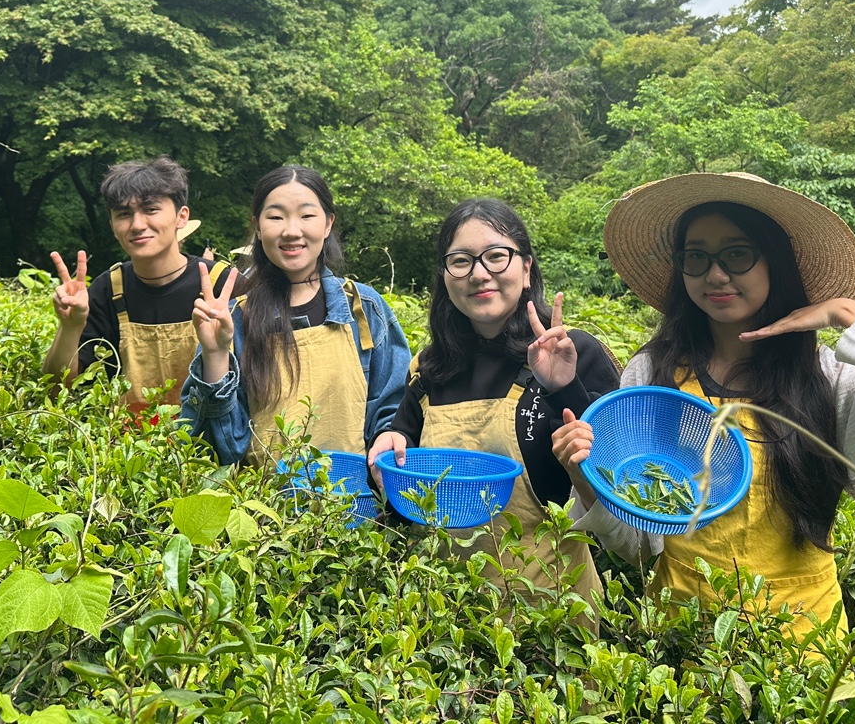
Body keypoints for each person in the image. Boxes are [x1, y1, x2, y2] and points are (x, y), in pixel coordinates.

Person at [551, 172, 855, 634]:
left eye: (737, 254)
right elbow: (636, 544)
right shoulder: (654, 375)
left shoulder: (829, 377)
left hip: (804, 641)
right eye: (697, 257)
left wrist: (849, 315)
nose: (715, 274)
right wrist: (584, 476)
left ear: (776, 262)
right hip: (681, 635)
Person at [368, 199, 621, 607]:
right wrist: (386, 450)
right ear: (446, 278)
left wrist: (566, 387)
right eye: (461, 261)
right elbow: (401, 477)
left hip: (552, 614)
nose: (479, 273)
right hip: (441, 610)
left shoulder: (575, 352)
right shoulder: (428, 370)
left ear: (526, 269)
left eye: (496, 256)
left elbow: (621, 493)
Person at [181, 165, 410, 464]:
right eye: (276, 217)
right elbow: (220, 449)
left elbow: (392, 409)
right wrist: (215, 354)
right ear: (258, 227)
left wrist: (386, 439)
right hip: (262, 506)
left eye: (307, 215)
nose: (291, 230)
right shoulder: (233, 319)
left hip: (352, 504)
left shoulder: (365, 309)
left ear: (328, 224)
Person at [43, 157, 232, 410]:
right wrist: (70, 327)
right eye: (123, 214)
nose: (137, 225)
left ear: (181, 216)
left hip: (205, 446)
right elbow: (57, 388)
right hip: (130, 446)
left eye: (151, 209)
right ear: (112, 225)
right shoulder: (107, 290)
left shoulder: (223, 283)